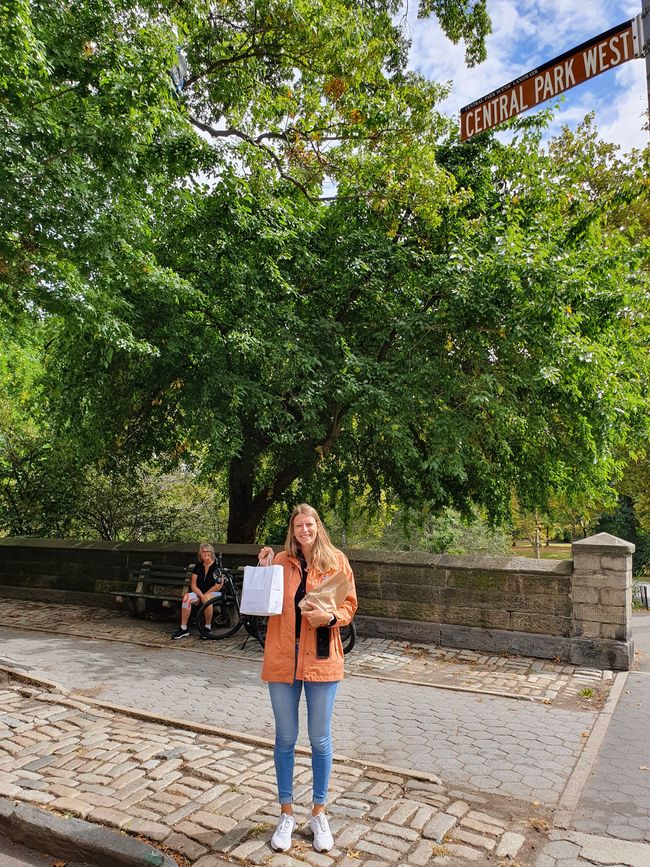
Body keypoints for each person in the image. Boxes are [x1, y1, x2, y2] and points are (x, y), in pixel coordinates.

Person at [258, 504, 357, 854]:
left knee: (319, 738)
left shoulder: (336, 560)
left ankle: (318, 812)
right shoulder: (281, 562)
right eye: (298, 525)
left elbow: (349, 605)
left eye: (309, 524)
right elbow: (260, 604)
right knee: (285, 737)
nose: (304, 530)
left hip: (321, 659)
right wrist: (263, 570)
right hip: (283, 658)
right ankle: (286, 812)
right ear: (292, 529)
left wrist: (329, 617)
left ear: (318, 526)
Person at [171, 543, 224, 640]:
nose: (206, 553)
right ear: (200, 554)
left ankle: (207, 627)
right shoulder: (198, 566)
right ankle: (184, 629)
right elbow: (193, 585)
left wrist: (203, 596)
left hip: (215, 593)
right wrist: (200, 596)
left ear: (212, 553)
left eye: (208, 551)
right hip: (200, 592)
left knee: (207, 599)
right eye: (203, 551)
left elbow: (218, 586)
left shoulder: (217, 567)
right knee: (186, 597)